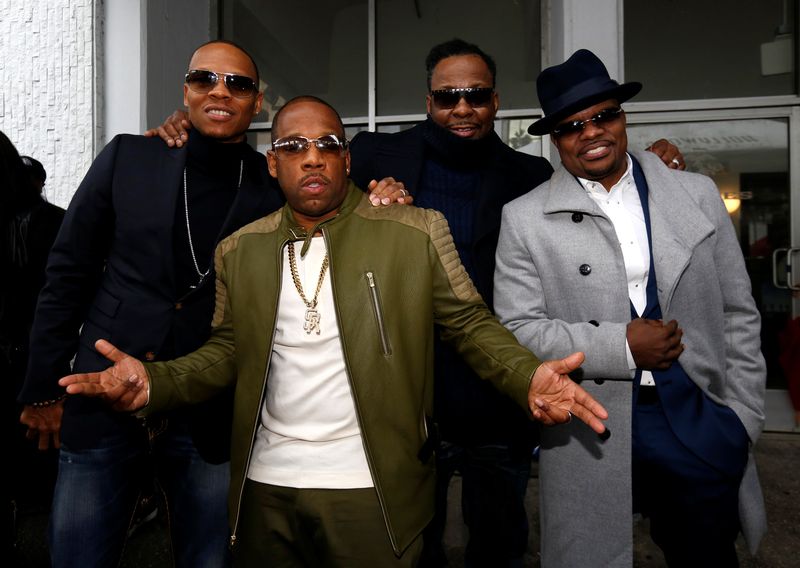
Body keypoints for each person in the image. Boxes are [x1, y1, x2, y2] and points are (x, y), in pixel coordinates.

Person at [149, 37, 684, 567]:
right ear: (429, 103)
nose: (462, 108)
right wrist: (183, 127)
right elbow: (232, 337)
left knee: (496, 540)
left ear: (495, 102)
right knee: (419, 545)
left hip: (478, 400)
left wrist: (652, 164)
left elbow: (477, 314)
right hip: (366, 421)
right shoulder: (367, 163)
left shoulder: (528, 178)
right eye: (448, 96)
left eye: (476, 95)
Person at [58, 95, 610, 568]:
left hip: (374, 491)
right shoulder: (239, 249)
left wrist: (526, 375)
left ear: (347, 159)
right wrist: (157, 382)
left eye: (326, 145)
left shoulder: (414, 230)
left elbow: (468, 324)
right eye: (293, 148)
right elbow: (227, 352)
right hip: (265, 491)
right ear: (273, 165)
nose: (312, 159)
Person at [16, 40, 286, 568]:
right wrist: (43, 386)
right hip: (101, 393)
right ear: (185, 91)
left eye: (239, 84)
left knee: (207, 557)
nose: (219, 91)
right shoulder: (129, 156)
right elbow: (66, 272)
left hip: (206, 405)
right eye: (205, 79)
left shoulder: (269, 184)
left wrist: (387, 191)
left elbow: (334, 181)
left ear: (257, 104)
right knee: (77, 554)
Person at [493, 49, 767, 567]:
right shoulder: (524, 218)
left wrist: (743, 416)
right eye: (573, 126)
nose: (591, 133)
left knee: (706, 555)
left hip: (698, 418)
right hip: (590, 426)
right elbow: (518, 329)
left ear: (623, 117)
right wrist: (620, 345)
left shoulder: (695, 194)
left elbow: (738, 311)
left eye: (603, 116)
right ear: (555, 139)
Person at [1, 135, 65, 558]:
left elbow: (58, 304)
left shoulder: (46, 223)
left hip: (26, 369)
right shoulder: (53, 220)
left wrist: (43, 390)